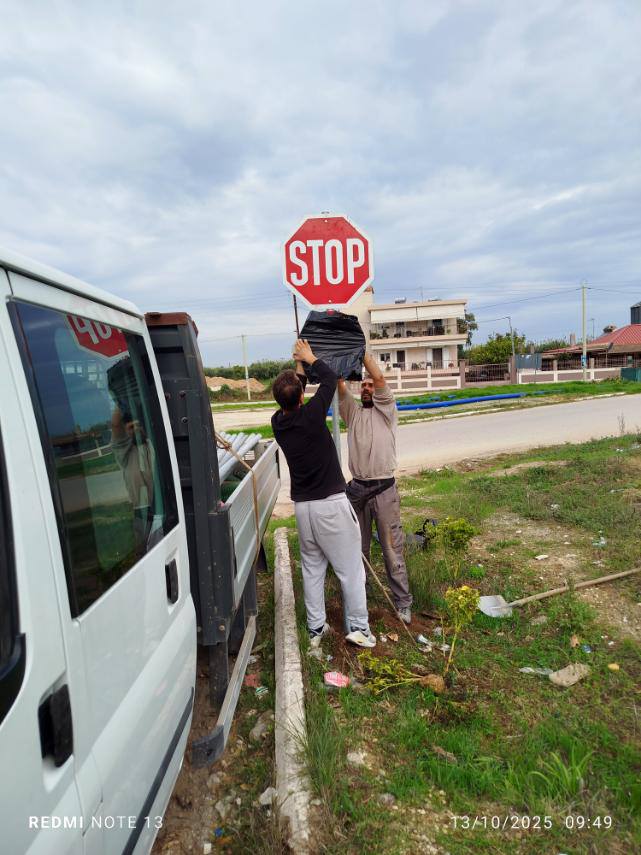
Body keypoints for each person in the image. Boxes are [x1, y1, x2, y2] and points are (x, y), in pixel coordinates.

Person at [271, 339, 375, 648]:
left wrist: (298, 367)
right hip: (331, 505)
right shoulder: (314, 414)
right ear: (303, 397)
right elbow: (329, 379)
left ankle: (316, 629)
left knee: (313, 569)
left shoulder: (278, 423)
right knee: (350, 570)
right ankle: (359, 628)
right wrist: (310, 357)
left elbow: (295, 393)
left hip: (303, 509)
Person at [338, 353, 413, 624]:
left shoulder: (387, 410)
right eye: (364, 385)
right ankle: (361, 597)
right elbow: (340, 386)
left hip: (384, 490)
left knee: (392, 549)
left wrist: (360, 351)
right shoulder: (353, 413)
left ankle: (403, 602)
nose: (368, 388)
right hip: (357, 490)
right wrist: (336, 358)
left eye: (371, 385)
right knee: (358, 549)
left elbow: (380, 378)